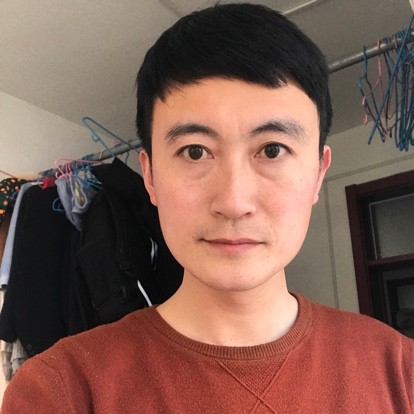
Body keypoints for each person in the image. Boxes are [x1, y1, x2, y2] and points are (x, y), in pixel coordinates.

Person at [2, 3, 414, 413]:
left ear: (318, 173)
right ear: (150, 176)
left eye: (272, 149)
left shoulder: (401, 372)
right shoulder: (59, 392)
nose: (234, 202)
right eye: (194, 151)